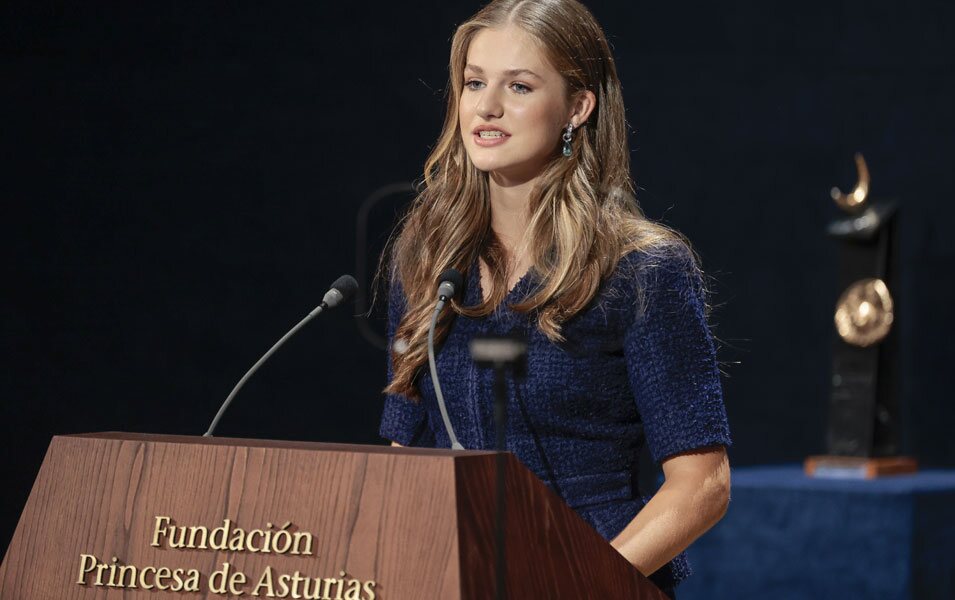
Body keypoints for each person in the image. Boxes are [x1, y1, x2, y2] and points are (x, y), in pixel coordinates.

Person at [377, 0, 731, 596]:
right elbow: (400, 459)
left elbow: (702, 485)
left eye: (518, 86)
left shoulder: (642, 270)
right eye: (473, 83)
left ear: (577, 106)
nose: (486, 107)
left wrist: (577, 583)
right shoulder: (427, 262)